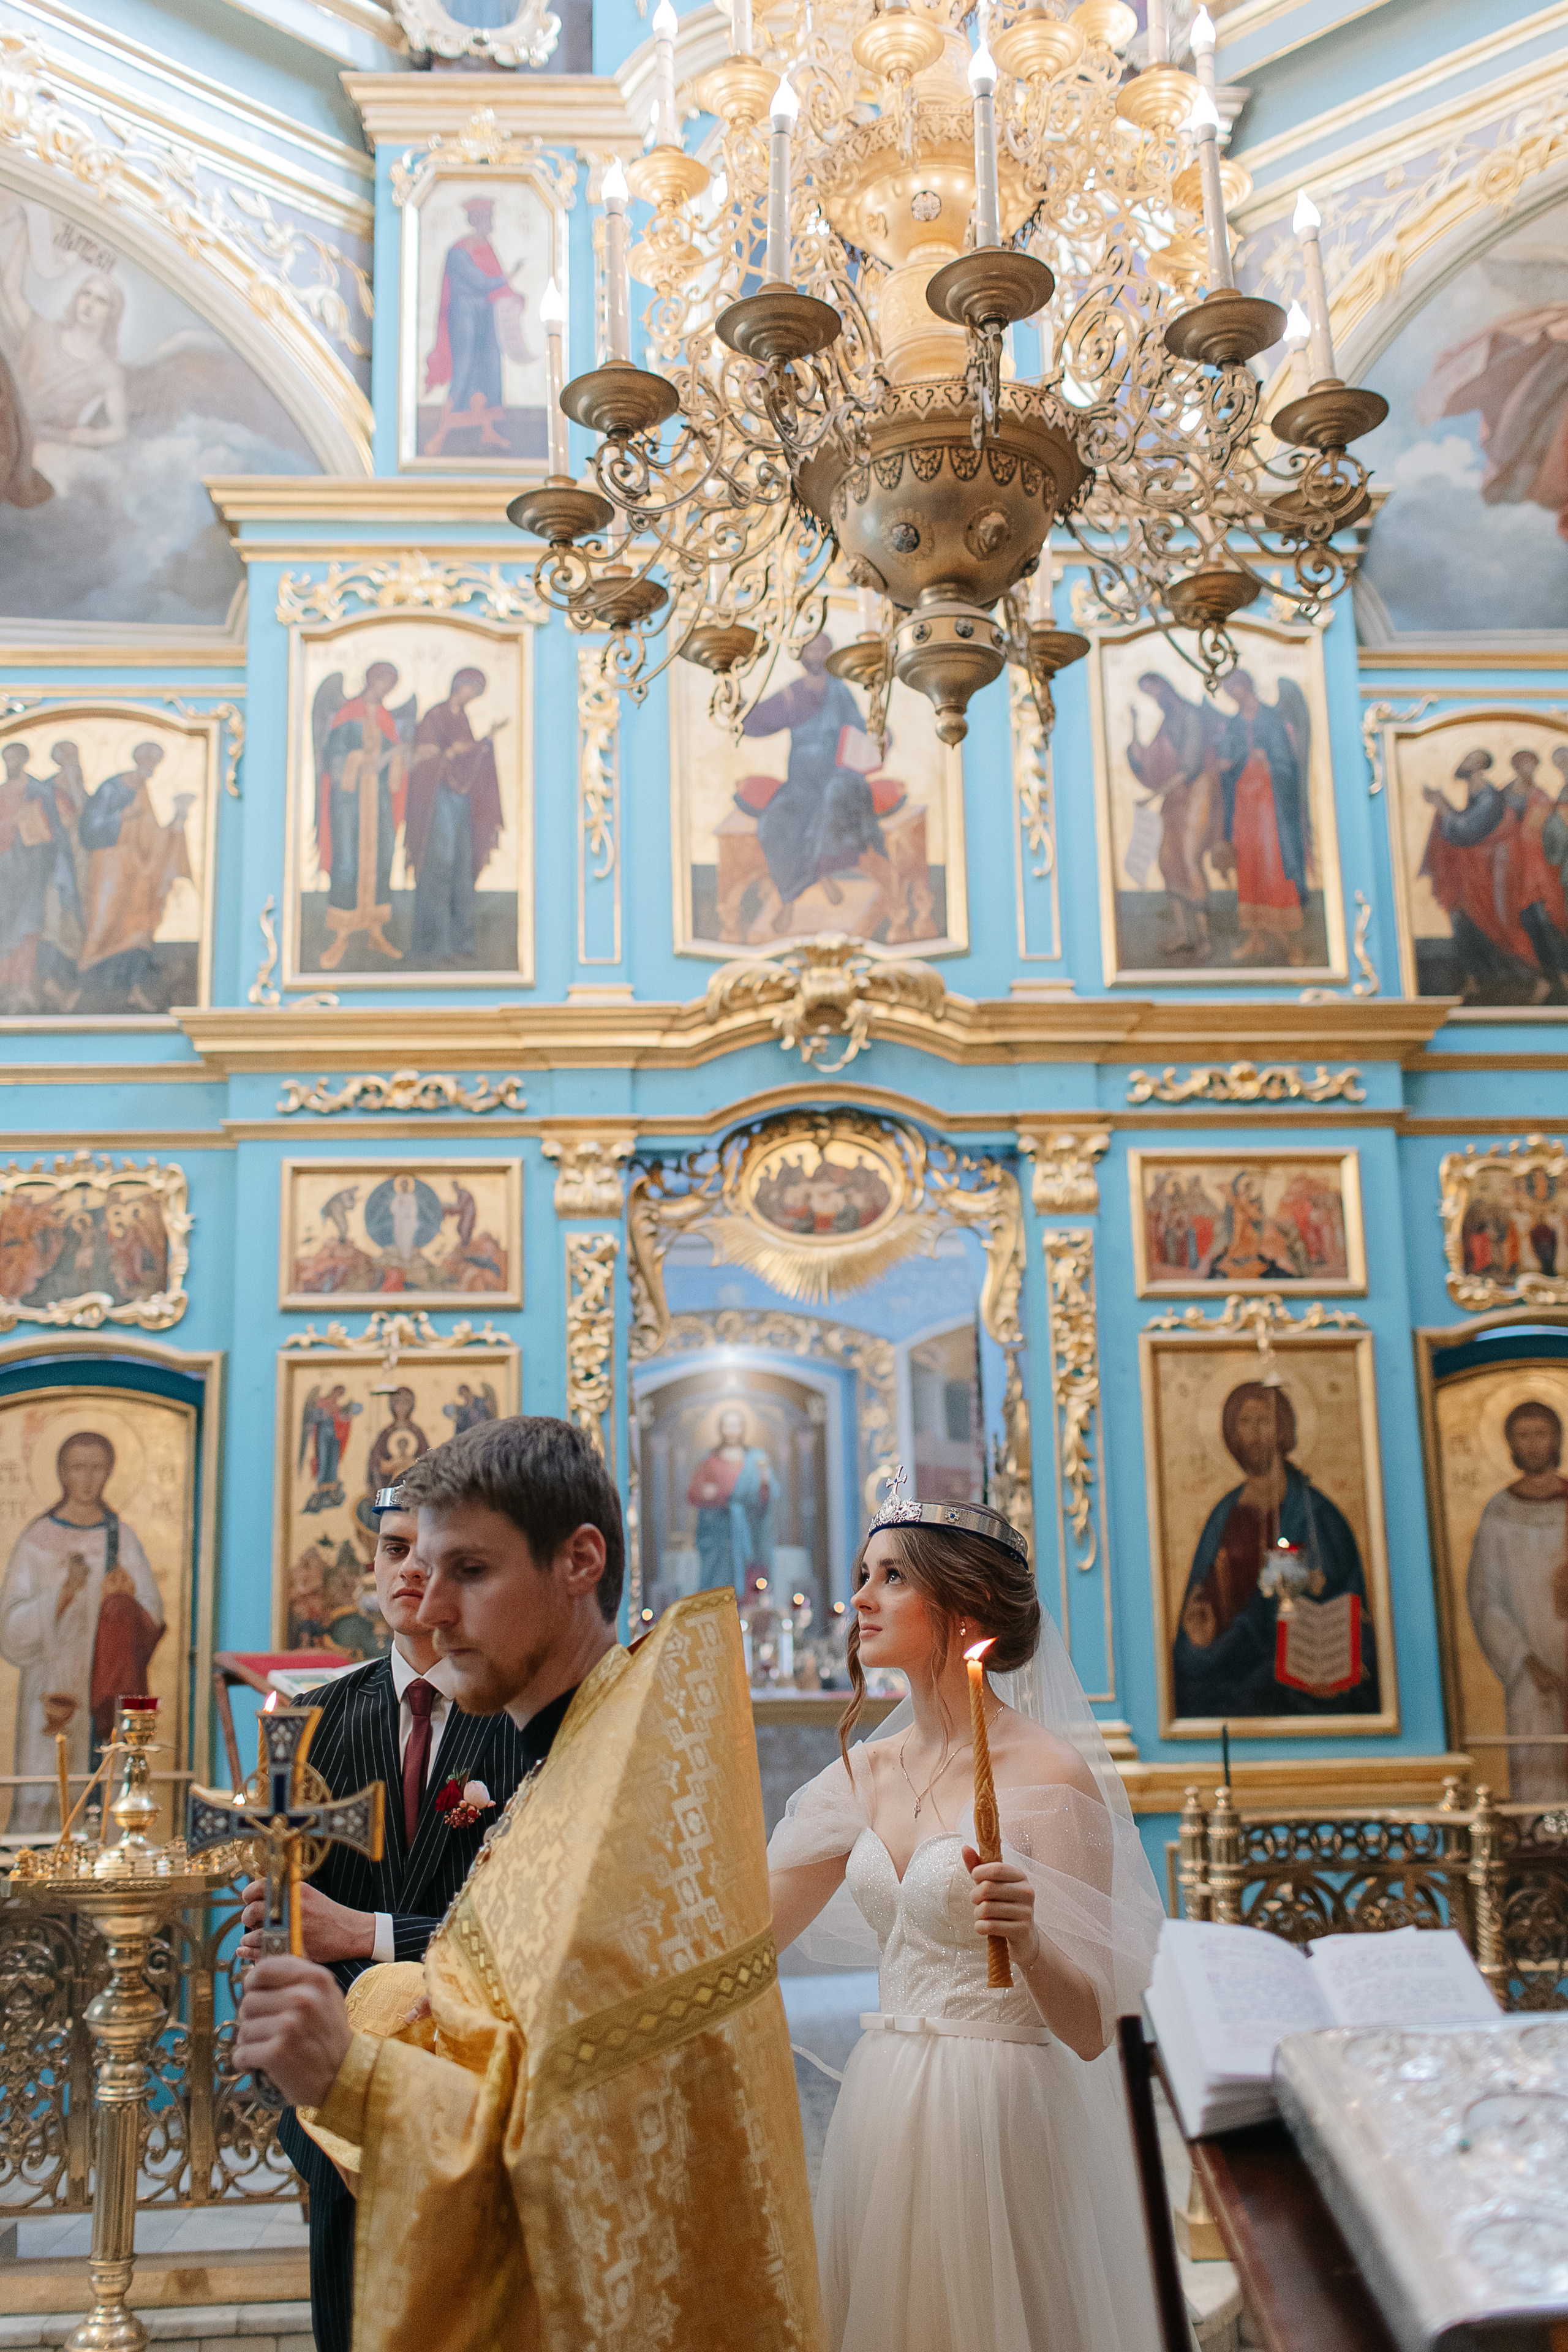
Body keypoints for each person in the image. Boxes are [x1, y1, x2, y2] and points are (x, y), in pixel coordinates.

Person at [232, 1416, 820, 2352]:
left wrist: (349, 2071)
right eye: (420, 1572)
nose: (428, 1614)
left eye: (470, 1572)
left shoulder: (627, 1791)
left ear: (580, 1559)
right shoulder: (590, 1748)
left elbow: (580, 2147)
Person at [767, 1482, 1164, 2352]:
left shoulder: (1049, 1775)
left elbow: (1093, 2027)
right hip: (883, 2097)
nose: (861, 1600)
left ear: (966, 1602)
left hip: (1000, 2112)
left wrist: (1027, 1941)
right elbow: (748, 1941)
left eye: (892, 1577)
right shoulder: (865, 1772)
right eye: (861, 1576)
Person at [247, 1484, 535, 2352]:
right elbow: (293, 1925)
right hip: (341, 2103)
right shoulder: (316, 1722)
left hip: (476, 2097)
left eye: (433, 1551)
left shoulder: (522, 1720)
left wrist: (365, 1932)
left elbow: (528, 1926)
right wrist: (313, 2105)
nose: (409, 1569)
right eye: (391, 1548)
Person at [1172, 1381, 1380, 1719]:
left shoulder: (1318, 1515)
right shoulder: (1223, 1516)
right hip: (1233, 1667)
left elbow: (1350, 1598)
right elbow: (1202, 1606)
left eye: (1264, 1421)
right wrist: (1199, 1637)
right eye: (1245, 1422)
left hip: (1306, 1674)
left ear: (1282, 1428)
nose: (1254, 1434)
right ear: (1231, 1433)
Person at [0, 1430, 163, 1836]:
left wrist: (124, 1602)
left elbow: (152, 1613)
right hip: (52, 1685)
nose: (87, 1479)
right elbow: (11, 1626)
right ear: (61, 1473)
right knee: (45, 1783)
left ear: (108, 1473)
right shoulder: (37, 1539)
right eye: (77, 1468)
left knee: (105, 1789)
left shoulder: (120, 1538)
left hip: (105, 1681)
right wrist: (63, 1594)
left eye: (96, 1468)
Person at [741, 634, 892, 935]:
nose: (817, 656)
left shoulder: (840, 693)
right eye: (812, 650)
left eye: (823, 650)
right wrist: (737, 703)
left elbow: (863, 731)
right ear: (802, 657)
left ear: (830, 656)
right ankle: (788, 898)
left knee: (834, 802)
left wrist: (883, 734)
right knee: (773, 824)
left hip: (838, 778)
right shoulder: (792, 696)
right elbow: (757, 721)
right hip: (801, 784)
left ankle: (824, 874)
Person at [1465, 1399, 1568, 1806]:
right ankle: (1552, 1841)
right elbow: (1485, 1597)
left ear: (1557, 1438)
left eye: (1541, 1433)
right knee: (1541, 1759)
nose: (1533, 1444)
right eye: (1522, 1435)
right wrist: (1526, 1660)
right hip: (1530, 1664)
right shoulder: (1499, 1512)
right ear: (1510, 1443)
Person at [75, 743, 195, 1012]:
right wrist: (120, 817)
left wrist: (179, 818)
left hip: (138, 875)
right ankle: (80, 988)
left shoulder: (143, 793)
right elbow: (88, 830)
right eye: (148, 763)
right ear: (138, 761)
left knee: (139, 930)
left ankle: (134, 989)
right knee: (101, 927)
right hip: (110, 868)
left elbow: (153, 841)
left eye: (155, 764)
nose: (151, 770)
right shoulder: (112, 789)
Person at [405, 668, 505, 966]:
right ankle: (434, 944)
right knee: (440, 864)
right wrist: (449, 753)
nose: (472, 696)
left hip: (461, 800)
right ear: (458, 686)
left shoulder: (463, 718)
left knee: (462, 865)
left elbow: (469, 760)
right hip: (438, 799)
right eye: (471, 689)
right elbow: (422, 758)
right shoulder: (435, 716)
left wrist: (485, 741)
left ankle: (459, 941)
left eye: (477, 692)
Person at [1213, 670, 1311, 967]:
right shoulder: (1231, 725)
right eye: (1226, 689)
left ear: (1246, 685)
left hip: (1271, 805)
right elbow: (1227, 766)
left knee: (1273, 866)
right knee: (1249, 865)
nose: (1230, 693)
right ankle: (1256, 937)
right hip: (1244, 803)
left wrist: (1268, 761)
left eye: (1233, 687)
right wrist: (1226, 766)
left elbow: (1289, 768)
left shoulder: (1273, 719)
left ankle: (1287, 941)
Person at [1125, 671, 1224, 960]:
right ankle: (1185, 933)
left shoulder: (1191, 716)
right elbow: (1148, 761)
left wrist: (1155, 796)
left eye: (1155, 692)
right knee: (1168, 861)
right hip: (1176, 793)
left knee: (1190, 859)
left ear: (1166, 686)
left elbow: (1190, 766)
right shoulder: (1167, 723)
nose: (1155, 699)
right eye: (1149, 695)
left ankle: (1205, 938)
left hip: (1199, 789)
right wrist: (1133, 724)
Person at [315, 664, 409, 969]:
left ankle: (375, 931)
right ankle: (342, 934)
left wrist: (395, 760)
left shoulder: (385, 719)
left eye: (391, 684)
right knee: (348, 861)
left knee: (381, 858)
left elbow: (394, 768)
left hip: (378, 801)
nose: (385, 688)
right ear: (371, 679)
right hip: (348, 801)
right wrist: (365, 761)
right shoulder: (348, 713)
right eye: (383, 681)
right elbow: (334, 757)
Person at [421, 198, 529, 456]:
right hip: (465, 316)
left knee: (488, 369)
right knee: (465, 367)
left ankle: (487, 429)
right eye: (487, 217)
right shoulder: (458, 251)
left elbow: (494, 284)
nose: (491, 222)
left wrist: (512, 294)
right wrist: (510, 276)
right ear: (477, 220)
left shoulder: (487, 248)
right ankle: (442, 430)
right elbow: (481, 282)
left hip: (486, 316)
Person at [687, 1404, 775, 1597]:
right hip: (717, 1535)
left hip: (750, 1532)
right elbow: (695, 1493)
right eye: (728, 1425)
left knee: (751, 1581)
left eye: (736, 1426)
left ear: (743, 1428)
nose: (732, 1431)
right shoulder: (710, 1460)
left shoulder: (756, 1458)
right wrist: (714, 1495)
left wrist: (764, 1484)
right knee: (717, 1585)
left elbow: (767, 1495)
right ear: (721, 1428)